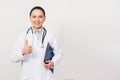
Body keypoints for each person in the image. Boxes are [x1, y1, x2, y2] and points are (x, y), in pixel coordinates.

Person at [11, 6, 63, 80]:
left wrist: (53, 62)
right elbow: (13, 57)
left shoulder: (50, 36)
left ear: (44, 18)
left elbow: (59, 53)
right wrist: (23, 52)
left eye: (40, 17)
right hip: (28, 76)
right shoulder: (23, 36)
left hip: (45, 76)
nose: (37, 20)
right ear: (30, 18)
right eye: (34, 16)